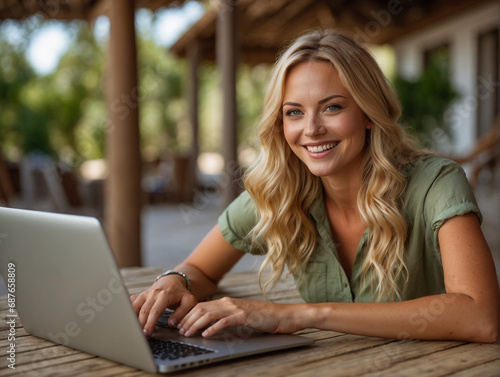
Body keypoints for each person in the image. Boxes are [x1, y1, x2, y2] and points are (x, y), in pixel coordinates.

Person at [131, 29, 499, 343]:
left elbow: (481, 316)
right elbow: (201, 269)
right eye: (294, 112)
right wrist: (174, 282)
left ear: (369, 113)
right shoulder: (280, 189)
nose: (311, 129)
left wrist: (299, 315)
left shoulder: (436, 183)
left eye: (332, 107)